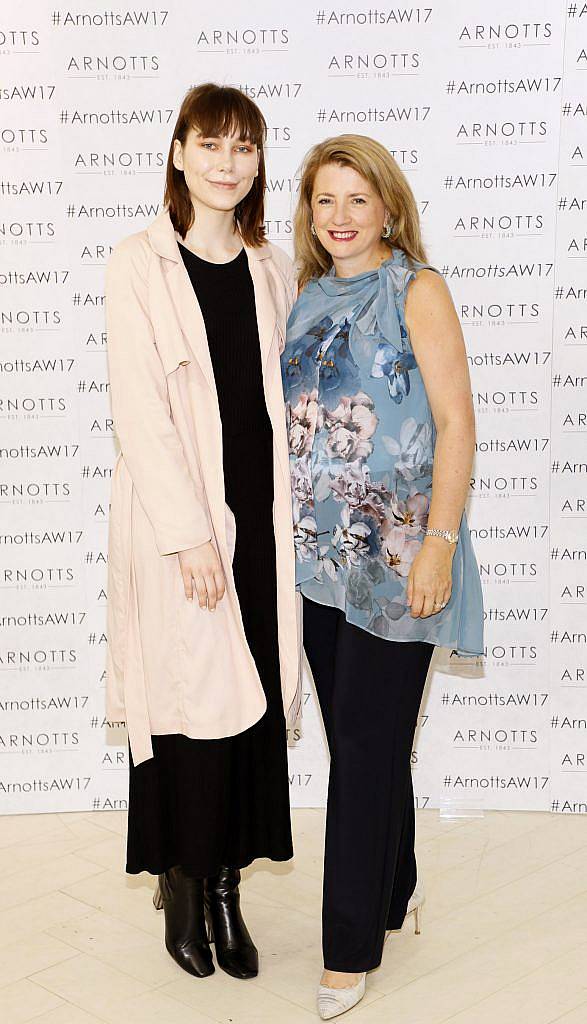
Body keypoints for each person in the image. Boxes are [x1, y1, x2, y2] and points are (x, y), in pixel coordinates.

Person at [281, 133, 484, 1019]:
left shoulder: (418, 289)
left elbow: (454, 422)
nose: (340, 217)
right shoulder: (301, 296)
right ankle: (395, 884)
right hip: (319, 562)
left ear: (388, 207)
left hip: (403, 559)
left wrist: (439, 543)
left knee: (362, 754)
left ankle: (346, 948)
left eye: (356, 199)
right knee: (367, 743)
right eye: (325, 200)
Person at [104, 82, 301, 982]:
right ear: (178, 152)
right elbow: (139, 410)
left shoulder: (269, 266)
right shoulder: (137, 263)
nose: (228, 164)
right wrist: (188, 538)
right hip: (182, 525)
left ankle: (228, 885)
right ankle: (183, 882)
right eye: (211, 145)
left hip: (261, 522)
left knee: (248, 702)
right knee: (192, 711)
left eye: (245, 148)